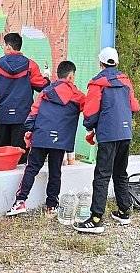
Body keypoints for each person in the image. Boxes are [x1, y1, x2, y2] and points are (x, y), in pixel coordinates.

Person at [74, 47, 140, 234]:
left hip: (108, 134)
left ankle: (95, 219)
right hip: (126, 132)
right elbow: (134, 106)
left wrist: (90, 128)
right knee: (121, 173)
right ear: (116, 63)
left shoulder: (98, 83)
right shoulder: (126, 82)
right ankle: (124, 211)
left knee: (102, 175)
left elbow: (90, 112)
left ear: (101, 63)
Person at [6, 60, 85, 216]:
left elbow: (32, 115)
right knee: (55, 172)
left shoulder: (45, 92)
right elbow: (89, 110)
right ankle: (51, 206)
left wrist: (29, 131)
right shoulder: (77, 95)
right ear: (70, 76)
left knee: (31, 169)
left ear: (58, 75)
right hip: (60, 140)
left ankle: (20, 202)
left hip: (41, 136)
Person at [0, 32, 49, 160]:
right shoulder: (30, 65)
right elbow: (41, 86)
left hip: (2, 115)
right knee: (20, 154)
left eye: (4, 45)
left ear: (8, 47)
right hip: (22, 115)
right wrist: (47, 78)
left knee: (1, 153)